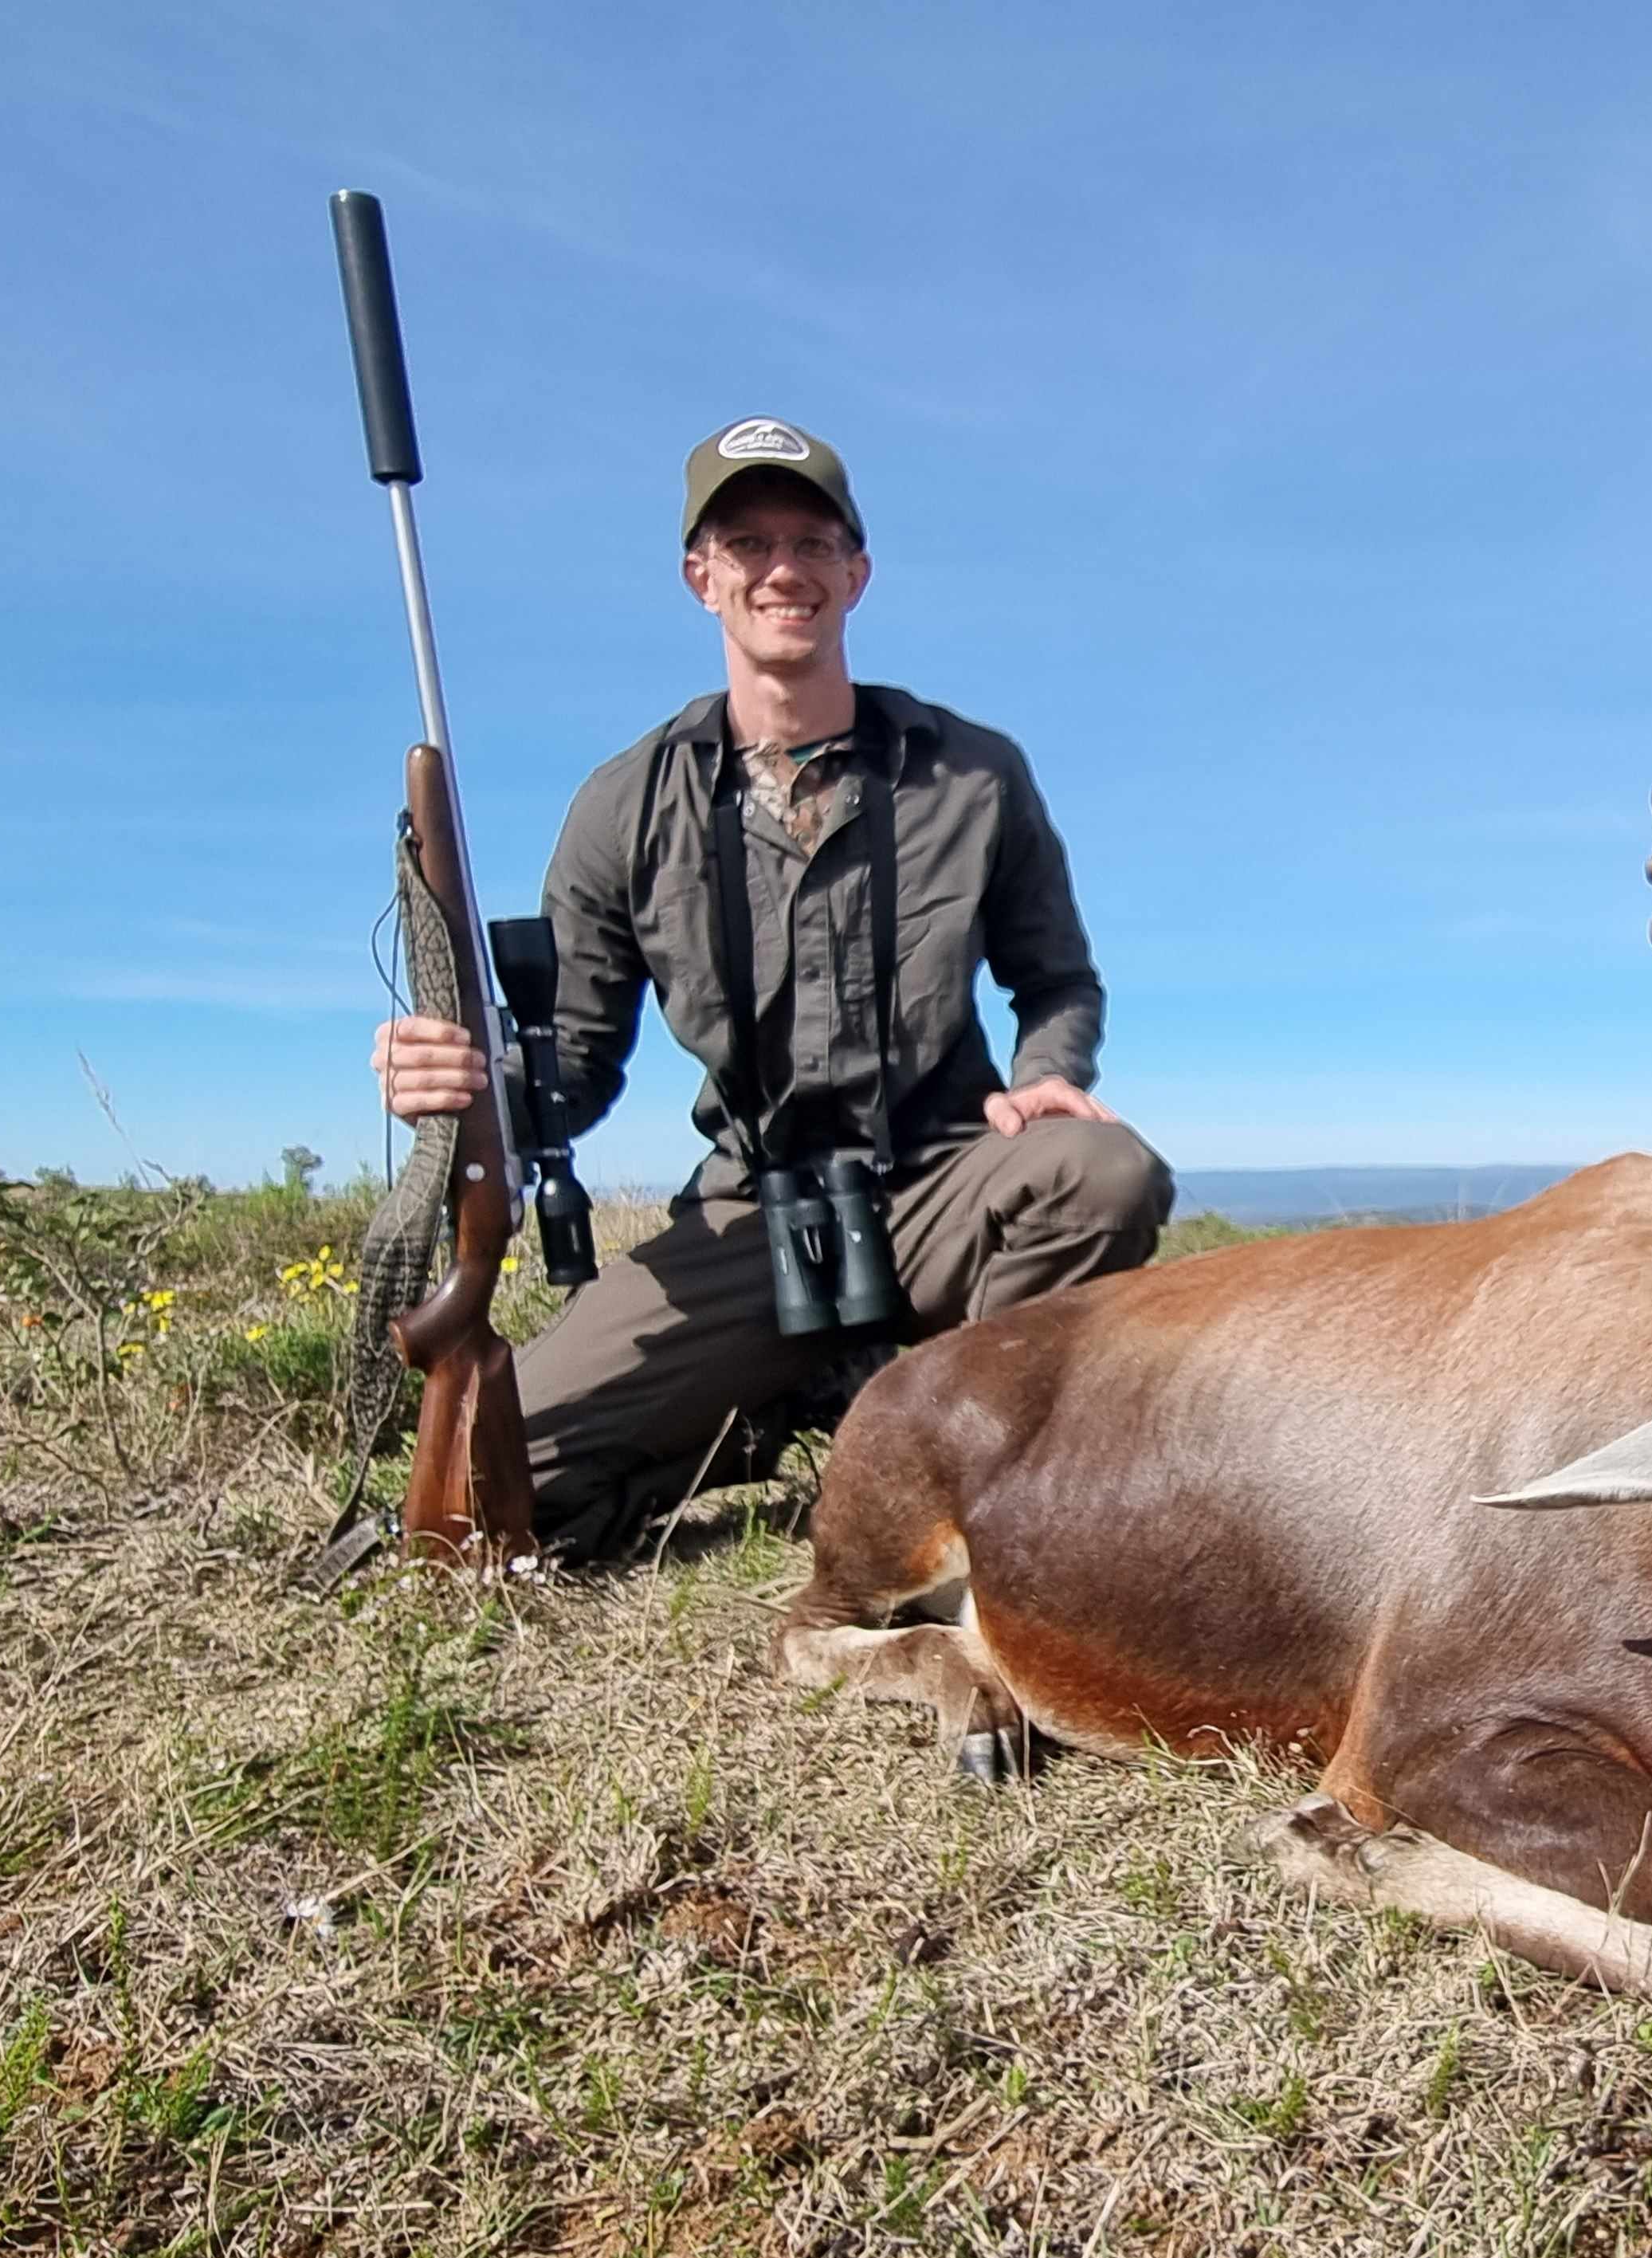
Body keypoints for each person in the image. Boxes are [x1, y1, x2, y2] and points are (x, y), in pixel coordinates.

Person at [371, 417, 1171, 1559]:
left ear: (857, 573)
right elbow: (578, 1066)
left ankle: (978, 1481)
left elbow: (1058, 980)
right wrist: (470, 1087)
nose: (782, 568)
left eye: (812, 541)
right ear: (702, 578)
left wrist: (1048, 1077)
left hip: (943, 1183)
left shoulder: (977, 772)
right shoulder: (622, 805)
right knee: (511, 1474)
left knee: (1102, 1173)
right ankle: (769, 1413)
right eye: (747, 543)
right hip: (755, 1211)